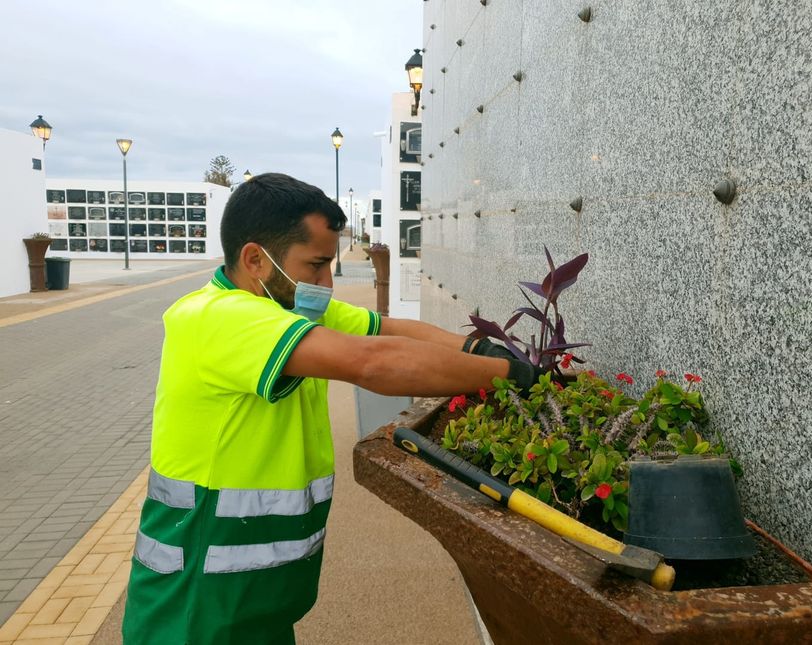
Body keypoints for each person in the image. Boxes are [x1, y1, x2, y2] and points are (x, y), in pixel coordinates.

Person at [122, 173, 541, 644]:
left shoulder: (291, 311)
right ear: (256, 260)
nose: (326, 283)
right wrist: (514, 378)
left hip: (253, 597)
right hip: (195, 604)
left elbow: (390, 330)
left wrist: (481, 351)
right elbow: (373, 362)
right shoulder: (216, 318)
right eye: (316, 265)